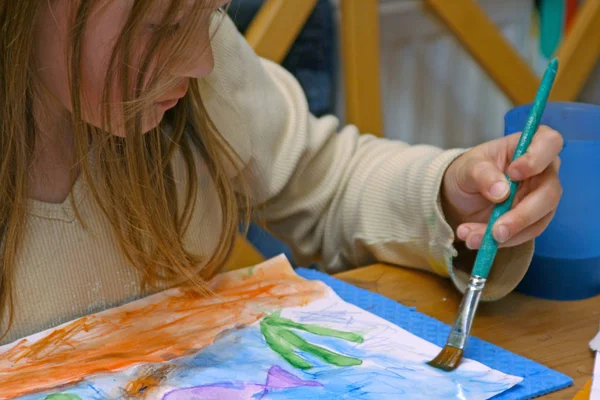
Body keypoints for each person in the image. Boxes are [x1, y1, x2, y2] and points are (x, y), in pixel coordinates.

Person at [0, 0, 563, 345]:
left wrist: (448, 196)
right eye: (165, 27)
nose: (203, 60)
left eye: (215, 13)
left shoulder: (205, 78)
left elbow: (328, 183)